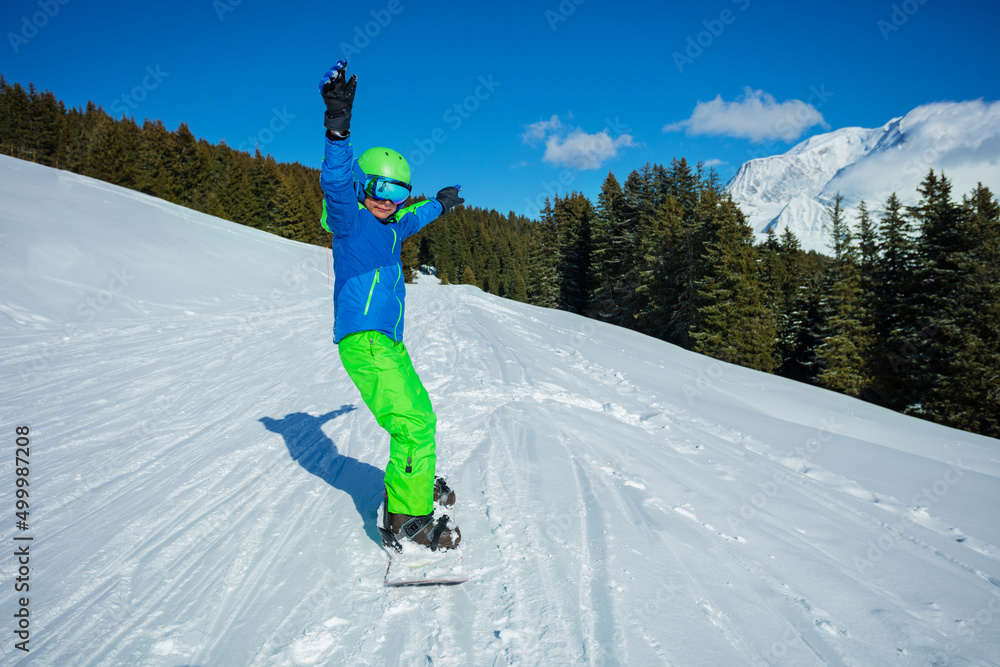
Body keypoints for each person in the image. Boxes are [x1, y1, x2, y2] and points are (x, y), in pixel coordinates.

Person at [318, 60, 464, 552]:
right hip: (365, 342)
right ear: (365, 187)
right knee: (414, 424)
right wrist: (338, 131)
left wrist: (438, 204)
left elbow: (416, 216)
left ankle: (414, 478)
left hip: (389, 343)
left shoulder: (393, 225)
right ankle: (407, 516)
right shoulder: (349, 222)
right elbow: (336, 185)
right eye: (381, 188)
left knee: (420, 414)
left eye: (398, 191)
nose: (389, 200)